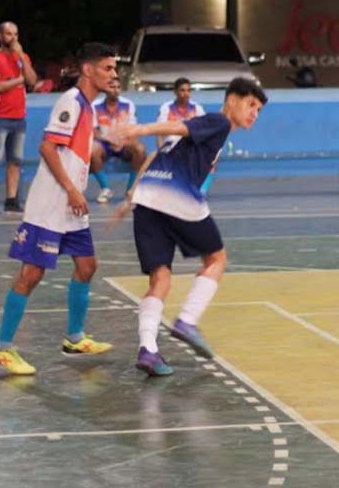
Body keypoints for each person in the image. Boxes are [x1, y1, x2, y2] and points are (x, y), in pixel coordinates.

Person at [109, 77, 267, 376]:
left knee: (160, 277)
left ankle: (148, 350)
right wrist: (139, 130)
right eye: (251, 105)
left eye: (258, 110)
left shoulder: (211, 130)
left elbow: (158, 153)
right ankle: (187, 320)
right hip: (175, 197)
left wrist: (131, 195)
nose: (253, 114)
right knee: (217, 259)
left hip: (147, 198)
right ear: (232, 100)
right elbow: (178, 127)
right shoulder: (218, 122)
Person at [0, 43, 118, 376]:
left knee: (87, 266)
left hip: (72, 205)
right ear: (88, 70)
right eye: (107, 68)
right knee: (32, 274)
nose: (114, 74)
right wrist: (73, 190)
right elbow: (47, 146)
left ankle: (74, 338)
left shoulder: (89, 106)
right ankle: (1, 348)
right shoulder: (70, 102)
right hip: (52, 203)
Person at [0, 21, 38, 218]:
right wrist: (20, 80)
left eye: (15, 34)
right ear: (0, 36)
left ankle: (11, 201)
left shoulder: (23, 58)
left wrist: (21, 57)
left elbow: (33, 81)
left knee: (15, 161)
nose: (12, 38)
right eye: (8, 34)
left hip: (19, 117)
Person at [91, 77, 146, 203]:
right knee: (92, 150)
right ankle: (105, 188)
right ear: (105, 89)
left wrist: (123, 141)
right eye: (112, 87)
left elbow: (133, 128)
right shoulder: (95, 105)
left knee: (140, 149)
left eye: (118, 87)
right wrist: (109, 139)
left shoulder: (128, 104)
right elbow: (93, 131)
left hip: (124, 142)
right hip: (104, 143)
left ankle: (130, 190)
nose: (115, 90)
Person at [155, 77, 205, 147]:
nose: (186, 94)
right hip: (171, 146)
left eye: (188, 90)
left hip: (191, 146)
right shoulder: (166, 108)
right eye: (182, 90)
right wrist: (161, 152)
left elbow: (204, 131)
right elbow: (159, 133)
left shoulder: (197, 108)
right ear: (175, 92)